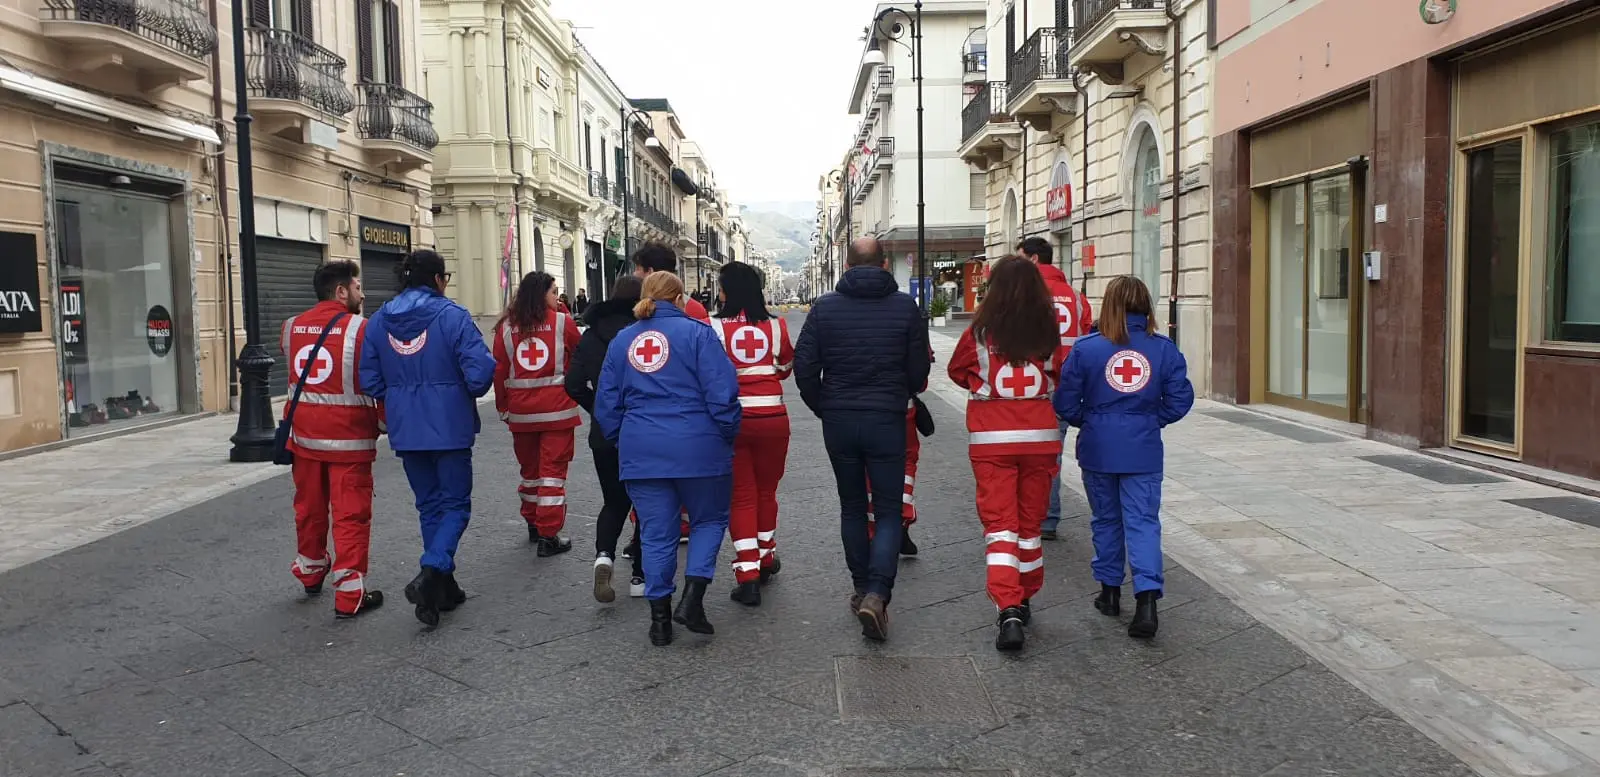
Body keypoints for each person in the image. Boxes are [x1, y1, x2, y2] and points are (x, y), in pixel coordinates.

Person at [794, 236, 930, 642]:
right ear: (885, 265)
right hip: (887, 417)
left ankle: (860, 587)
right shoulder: (905, 307)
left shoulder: (824, 308)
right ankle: (878, 593)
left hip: (839, 417)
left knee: (852, 506)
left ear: (847, 266)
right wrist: (897, 392)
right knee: (887, 510)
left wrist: (823, 405)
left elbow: (804, 366)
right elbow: (919, 368)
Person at [595, 272, 741, 646]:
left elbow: (607, 404)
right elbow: (721, 393)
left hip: (642, 447)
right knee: (709, 520)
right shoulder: (699, 334)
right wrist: (726, 434)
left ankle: (660, 621)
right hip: (699, 445)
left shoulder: (622, 341)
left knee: (657, 533)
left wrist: (624, 438)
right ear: (679, 298)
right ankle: (692, 598)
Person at [361, 249, 496, 627]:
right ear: (438, 279)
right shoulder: (452, 316)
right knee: (455, 506)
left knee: (429, 507)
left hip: (406, 428)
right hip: (450, 425)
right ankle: (431, 569)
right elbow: (480, 371)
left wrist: (399, 394)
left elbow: (369, 379)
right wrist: (459, 390)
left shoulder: (377, 322)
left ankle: (440, 591)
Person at [1054, 275, 1193, 640]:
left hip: (1099, 447)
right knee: (1143, 522)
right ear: (1146, 306)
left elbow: (1065, 402)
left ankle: (1110, 591)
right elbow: (1180, 401)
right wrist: (1150, 420)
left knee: (1106, 520)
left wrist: (1092, 420)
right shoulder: (1163, 350)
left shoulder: (1086, 349)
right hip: (1143, 450)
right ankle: (1147, 600)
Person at [947, 257, 1063, 651]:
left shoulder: (979, 333)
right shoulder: (1049, 331)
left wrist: (984, 390)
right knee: (1030, 527)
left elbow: (956, 371)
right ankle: (1026, 594)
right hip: (1040, 437)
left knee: (1000, 527)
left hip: (992, 438)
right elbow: (1059, 374)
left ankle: (1008, 608)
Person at [281, 260, 384, 619]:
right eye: (357, 287)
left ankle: (310, 573)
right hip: (348, 440)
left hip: (304, 438)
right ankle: (350, 594)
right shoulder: (362, 329)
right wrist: (385, 421)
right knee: (350, 515)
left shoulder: (291, 327)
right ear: (341, 291)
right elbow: (375, 381)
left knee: (308, 509)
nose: (363, 293)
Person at [710, 261, 793, 607]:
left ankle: (747, 578)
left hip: (732, 421)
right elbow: (786, 368)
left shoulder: (712, 327)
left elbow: (708, 373)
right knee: (767, 491)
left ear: (726, 290)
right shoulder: (776, 326)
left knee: (740, 497)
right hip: (773, 419)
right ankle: (766, 556)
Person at [566, 275, 648, 602]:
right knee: (647, 503)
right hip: (642, 429)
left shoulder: (590, 336)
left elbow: (572, 384)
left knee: (613, 502)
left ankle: (603, 557)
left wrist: (599, 408)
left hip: (604, 434)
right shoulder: (645, 333)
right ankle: (640, 576)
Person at [493, 271, 582, 557]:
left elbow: (499, 370)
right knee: (552, 476)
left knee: (531, 475)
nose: (558, 297)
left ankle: (533, 523)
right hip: (556, 412)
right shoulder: (561, 323)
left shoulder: (506, 327)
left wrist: (503, 407)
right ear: (541, 294)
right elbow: (580, 354)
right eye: (554, 292)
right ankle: (549, 535)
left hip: (521, 414)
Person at [628, 242, 705, 547]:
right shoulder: (696, 310)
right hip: (688, 411)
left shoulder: (640, 309)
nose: (635, 273)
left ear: (649, 272)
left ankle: (649, 532)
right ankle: (682, 523)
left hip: (646, 411)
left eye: (638, 268)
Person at [1019, 237, 1094, 542]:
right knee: (1053, 455)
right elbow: (1087, 338)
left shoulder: (1025, 296)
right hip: (1068, 386)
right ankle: (1048, 518)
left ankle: (1034, 515)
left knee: (1027, 455)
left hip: (1034, 386)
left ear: (1034, 260)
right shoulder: (1076, 297)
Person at [866, 343, 934, 557]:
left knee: (868, 466)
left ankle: (874, 532)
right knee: (906, 462)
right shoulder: (907, 314)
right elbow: (921, 372)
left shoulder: (840, 313)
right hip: (899, 406)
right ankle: (900, 520)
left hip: (859, 408)